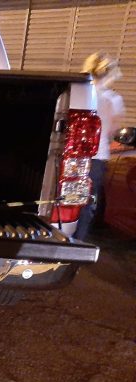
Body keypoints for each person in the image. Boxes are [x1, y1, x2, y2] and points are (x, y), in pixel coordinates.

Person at [73, 52, 125, 241]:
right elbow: (112, 132)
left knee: (66, 199)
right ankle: (77, 241)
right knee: (86, 203)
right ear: (110, 73)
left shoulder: (77, 92)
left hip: (72, 156)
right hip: (96, 158)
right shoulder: (112, 99)